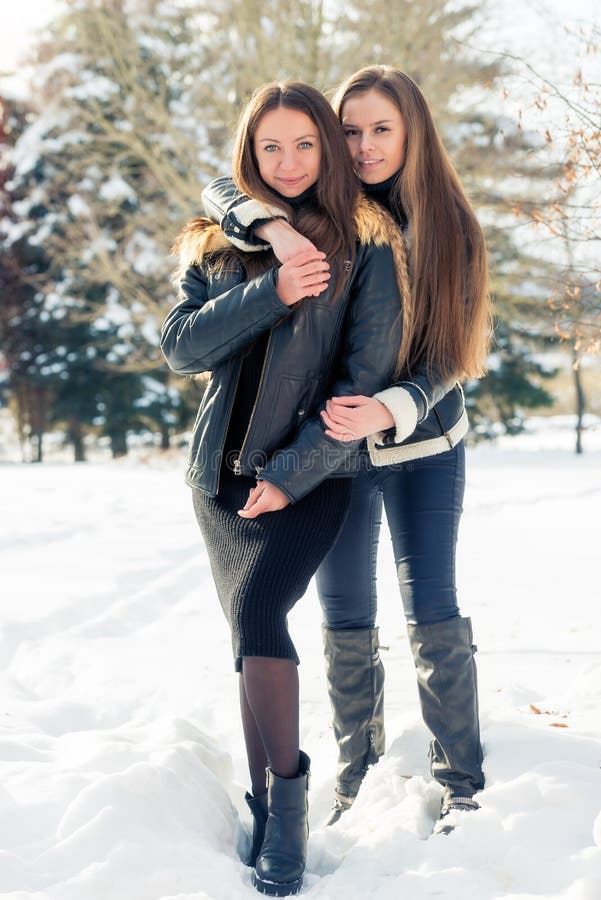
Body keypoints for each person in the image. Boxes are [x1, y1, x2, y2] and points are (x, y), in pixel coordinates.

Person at [200, 65, 493, 835]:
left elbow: (450, 356)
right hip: (339, 451)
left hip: (421, 440)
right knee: (344, 613)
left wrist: (391, 407)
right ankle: (355, 774)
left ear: (412, 134)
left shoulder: (446, 226)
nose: (363, 147)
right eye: (351, 131)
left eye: (381, 130)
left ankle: (461, 777)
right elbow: (223, 189)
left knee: (430, 604)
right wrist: (270, 225)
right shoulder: (325, 216)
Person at [161, 80, 408, 896]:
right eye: (272, 146)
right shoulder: (218, 244)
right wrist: (270, 288)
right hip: (216, 483)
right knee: (247, 633)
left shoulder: (364, 245)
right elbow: (182, 348)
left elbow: (360, 380)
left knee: (262, 612)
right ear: (250, 154)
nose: (290, 161)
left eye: (306, 143)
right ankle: (267, 809)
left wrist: (288, 476)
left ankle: (288, 816)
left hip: (311, 479)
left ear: (329, 151)